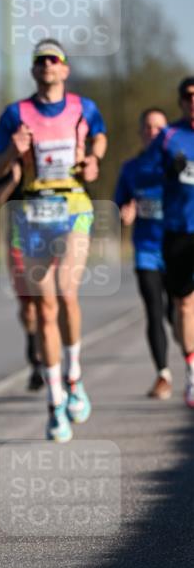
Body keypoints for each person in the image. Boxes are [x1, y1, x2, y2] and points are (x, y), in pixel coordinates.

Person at [0, 38, 107, 442]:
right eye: (39, 60)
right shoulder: (16, 113)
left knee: (67, 294)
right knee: (43, 308)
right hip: (32, 214)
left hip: (73, 207)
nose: (46, 65)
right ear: (33, 70)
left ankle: (74, 375)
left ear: (65, 69)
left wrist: (93, 161)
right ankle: (56, 401)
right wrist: (13, 150)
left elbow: (99, 139)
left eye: (53, 59)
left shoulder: (83, 107)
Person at [114, 108, 172, 398]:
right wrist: (125, 213)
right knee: (154, 311)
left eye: (158, 127)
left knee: (178, 312)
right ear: (140, 133)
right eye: (147, 127)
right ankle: (162, 374)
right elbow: (118, 207)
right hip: (147, 249)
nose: (152, 132)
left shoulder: (179, 163)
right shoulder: (131, 168)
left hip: (179, 248)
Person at [146, 77, 194, 407]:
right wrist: (168, 171)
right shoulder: (168, 137)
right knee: (183, 305)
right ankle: (192, 374)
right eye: (189, 96)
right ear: (181, 101)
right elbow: (144, 176)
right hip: (178, 232)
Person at [0, 162, 44, 391]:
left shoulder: (50, 153)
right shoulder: (9, 161)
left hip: (51, 240)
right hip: (19, 243)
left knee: (49, 303)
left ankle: (53, 360)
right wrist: (12, 181)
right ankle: (36, 362)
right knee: (29, 307)